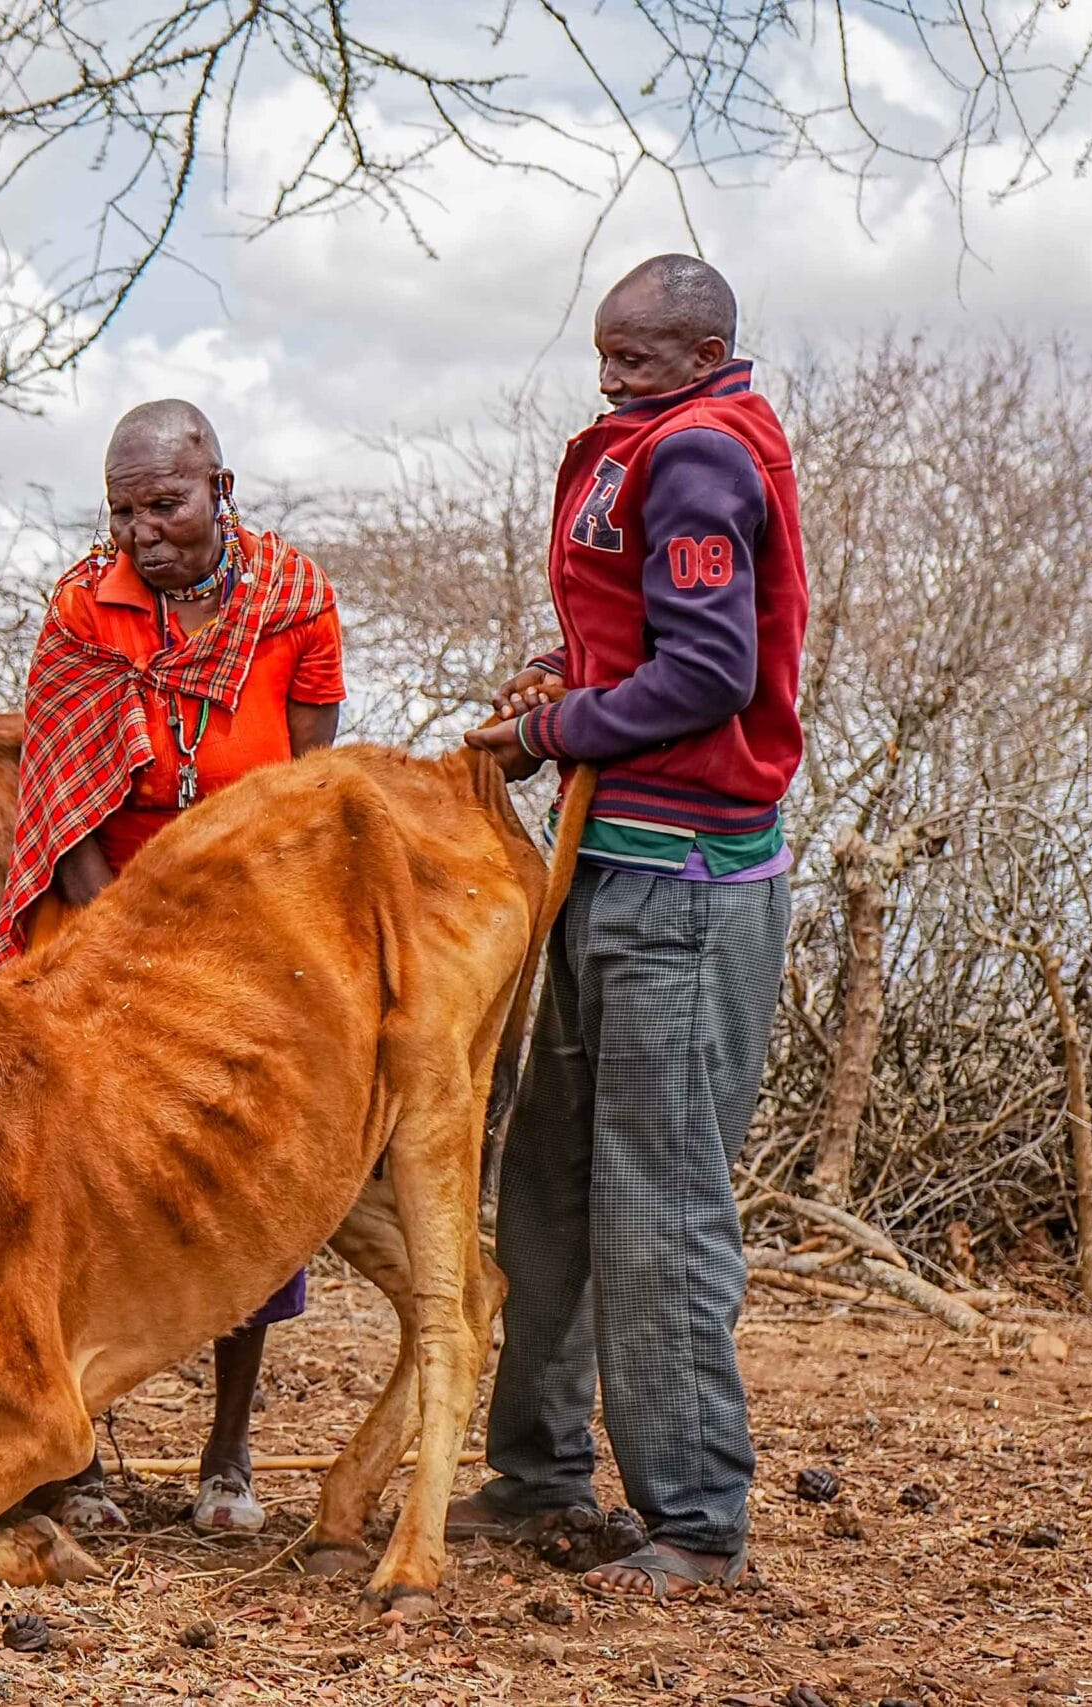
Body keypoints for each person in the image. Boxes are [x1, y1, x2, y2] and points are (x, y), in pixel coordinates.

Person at [459, 255, 808, 1598]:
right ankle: (538, 1469)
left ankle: (696, 1523)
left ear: (709, 347)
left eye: (640, 360)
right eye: (604, 357)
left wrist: (553, 728)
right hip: (607, 866)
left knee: (659, 1205)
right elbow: (639, 636)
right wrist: (563, 676)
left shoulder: (707, 457)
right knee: (549, 1184)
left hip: (684, 878)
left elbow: (712, 668)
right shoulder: (647, 444)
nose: (611, 379)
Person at [0, 399, 345, 1534]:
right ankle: (75, 1456)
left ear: (220, 488)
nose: (142, 532)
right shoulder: (82, 611)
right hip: (103, 918)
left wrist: (228, 943)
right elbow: (61, 803)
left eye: (166, 504)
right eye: (123, 510)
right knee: (70, 1181)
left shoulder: (297, 603)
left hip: (244, 924)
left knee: (253, 1167)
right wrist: (128, 943)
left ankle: (228, 1460)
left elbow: (303, 794)